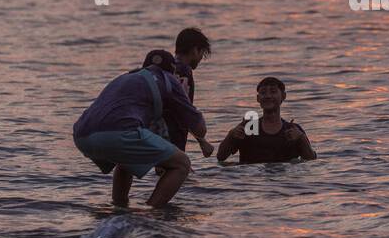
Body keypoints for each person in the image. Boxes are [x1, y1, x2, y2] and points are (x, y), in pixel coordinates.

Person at [73, 50, 207, 208]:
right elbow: (199, 128)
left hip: (81, 134)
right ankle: (151, 214)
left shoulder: (126, 77)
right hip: (116, 132)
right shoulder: (169, 79)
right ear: (171, 70)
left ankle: (119, 208)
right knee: (182, 164)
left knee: (127, 158)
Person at [216, 77, 316, 164]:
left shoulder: (292, 130)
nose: (268, 96)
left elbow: (311, 160)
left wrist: (301, 139)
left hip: (284, 183)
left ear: (283, 96)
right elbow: (221, 157)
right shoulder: (249, 128)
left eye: (273, 91)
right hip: (252, 182)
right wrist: (231, 135)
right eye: (263, 93)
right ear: (258, 98)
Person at [173, 27, 214, 158]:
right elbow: (182, 108)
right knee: (178, 169)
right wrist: (201, 137)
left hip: (159, 131)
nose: (201, 58)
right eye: (202, 53)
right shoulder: (184, 71)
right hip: (173, 133)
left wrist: (201, 141)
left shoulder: (167, 67)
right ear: (195, 50)